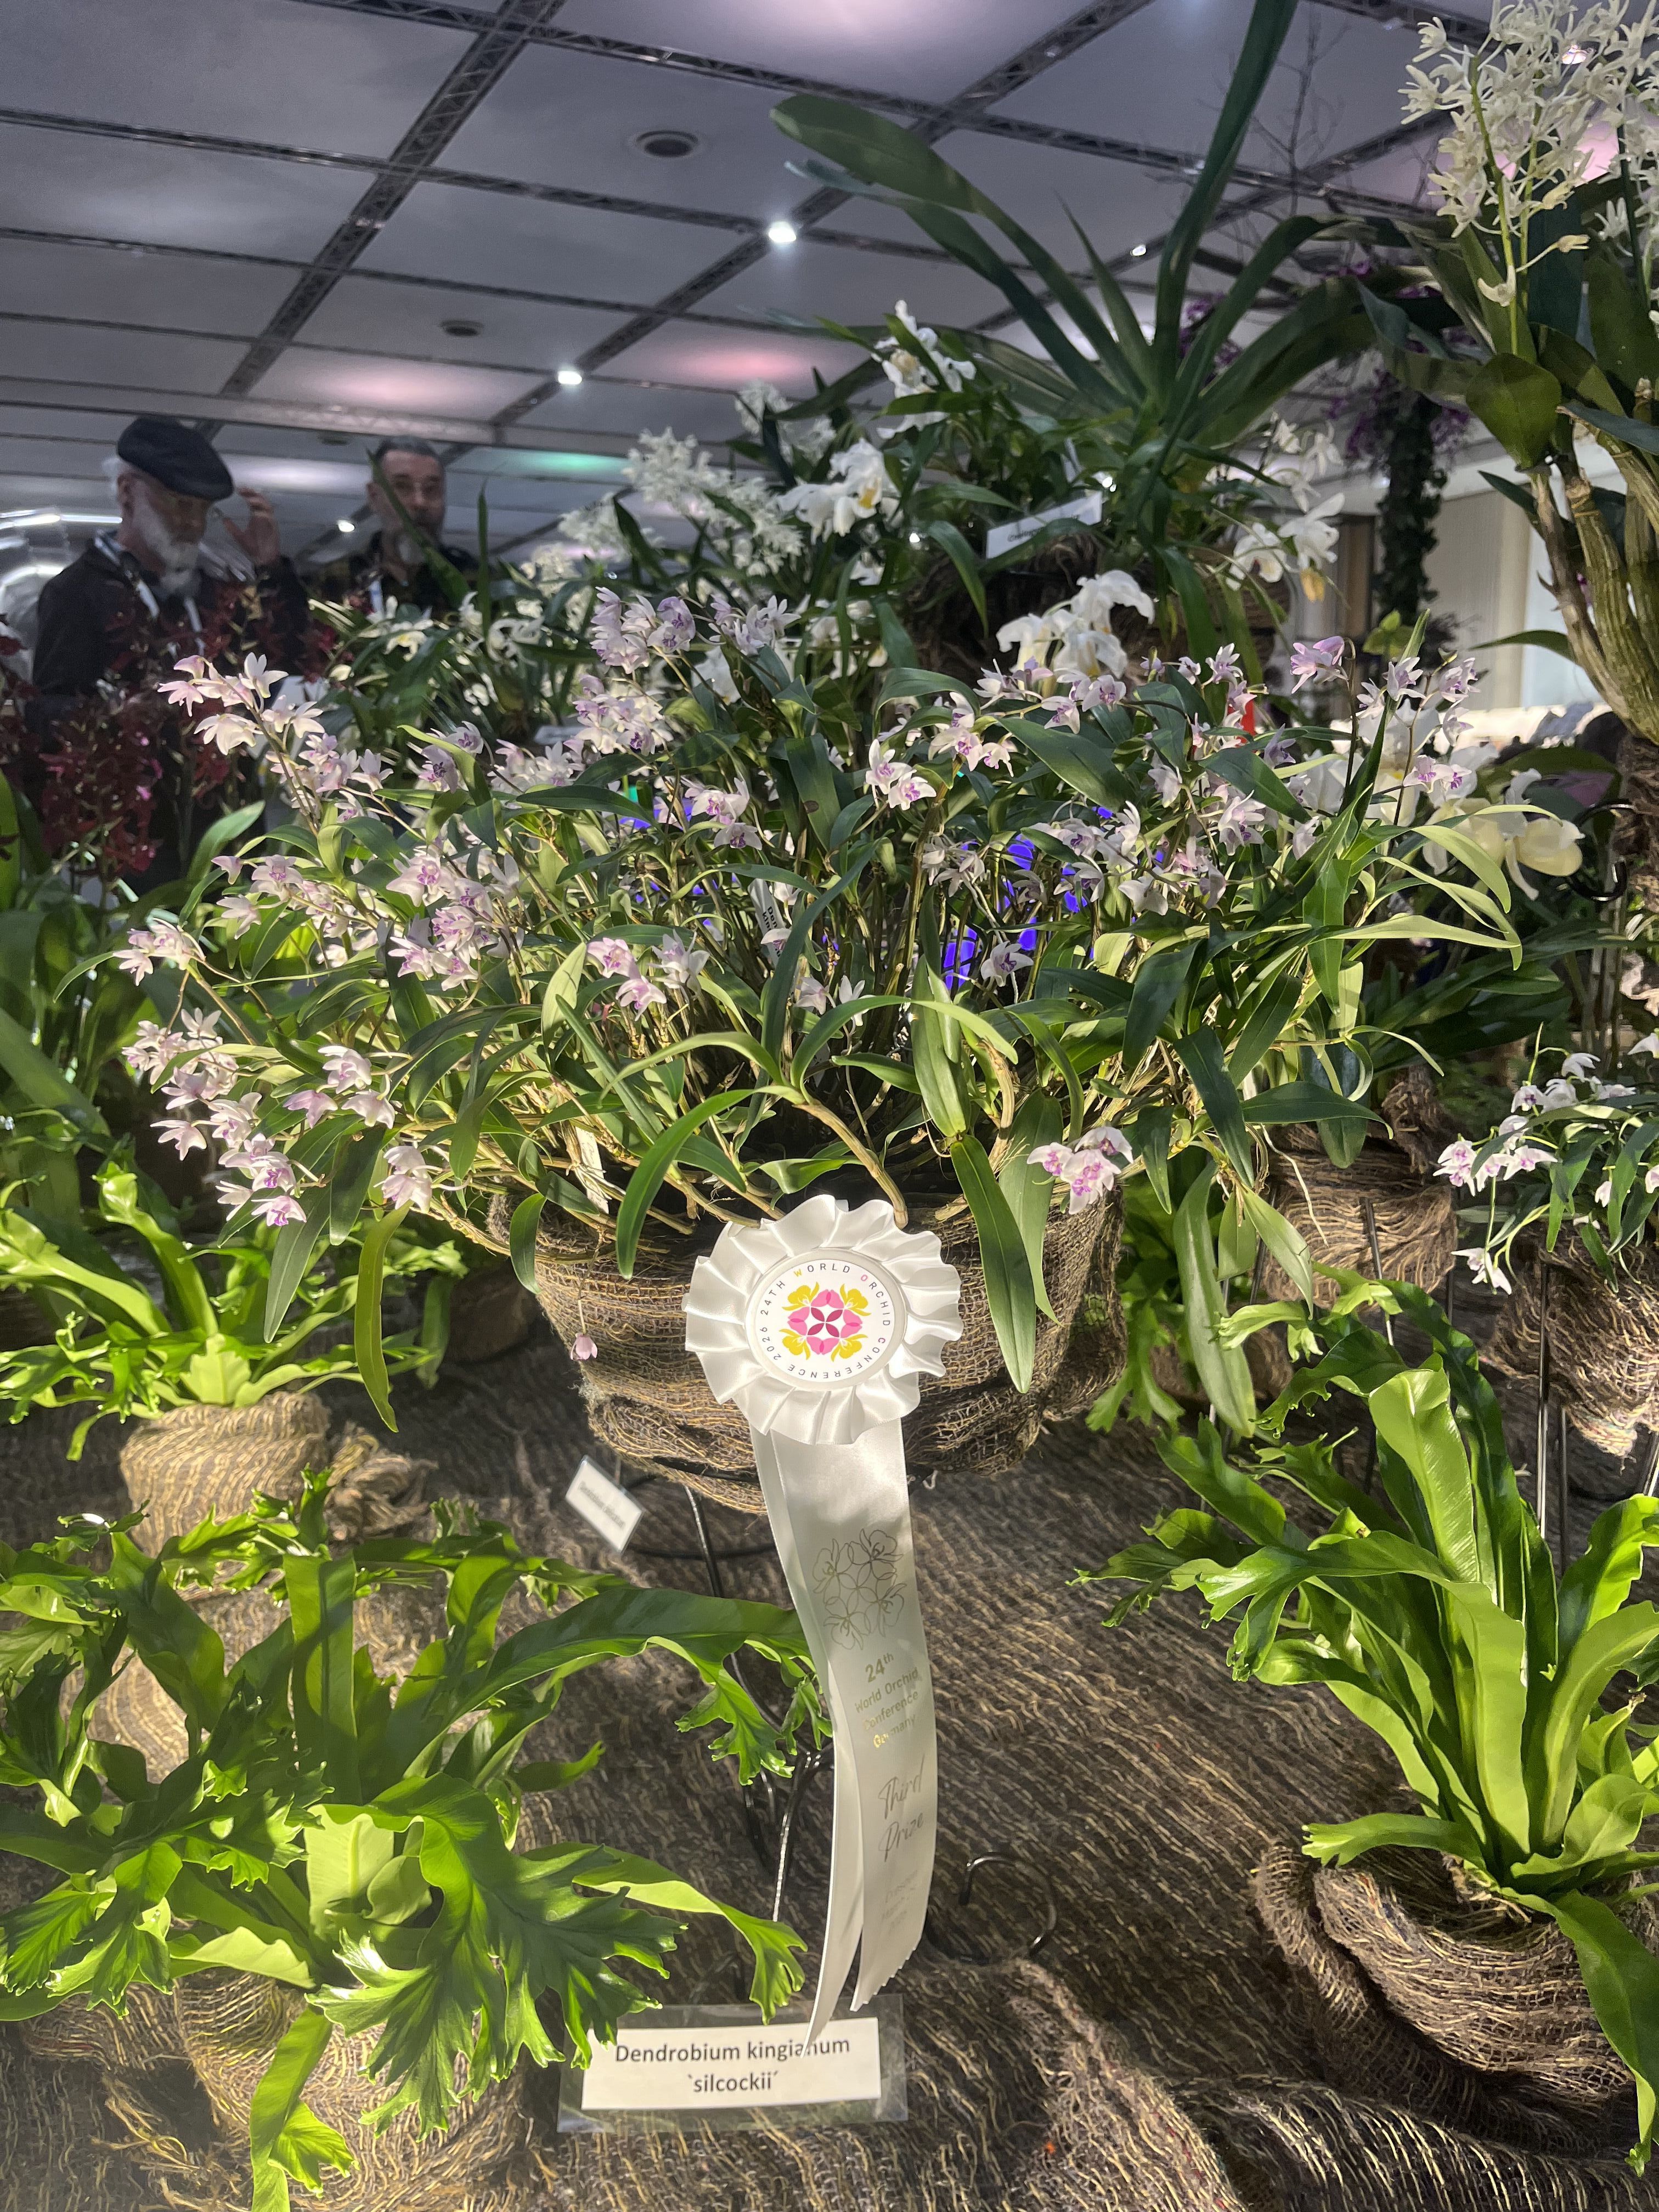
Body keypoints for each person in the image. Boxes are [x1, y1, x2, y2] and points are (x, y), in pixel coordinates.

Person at [24, 415, 314, 886]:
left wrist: (271, 572)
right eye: (179, 504)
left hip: (230, 830)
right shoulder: (78, 592)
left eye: (203, 510)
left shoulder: (217, 589)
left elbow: (285, 666)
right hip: (139, 843)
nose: (193, 524)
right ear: (127, 492)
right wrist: (121, 714)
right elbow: (48, 712)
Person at [313, 437, 473, 617]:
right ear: (374, 496)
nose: (420, 502)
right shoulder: (341, 580)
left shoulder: (473, 579)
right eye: (402, 487)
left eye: (431, 489)